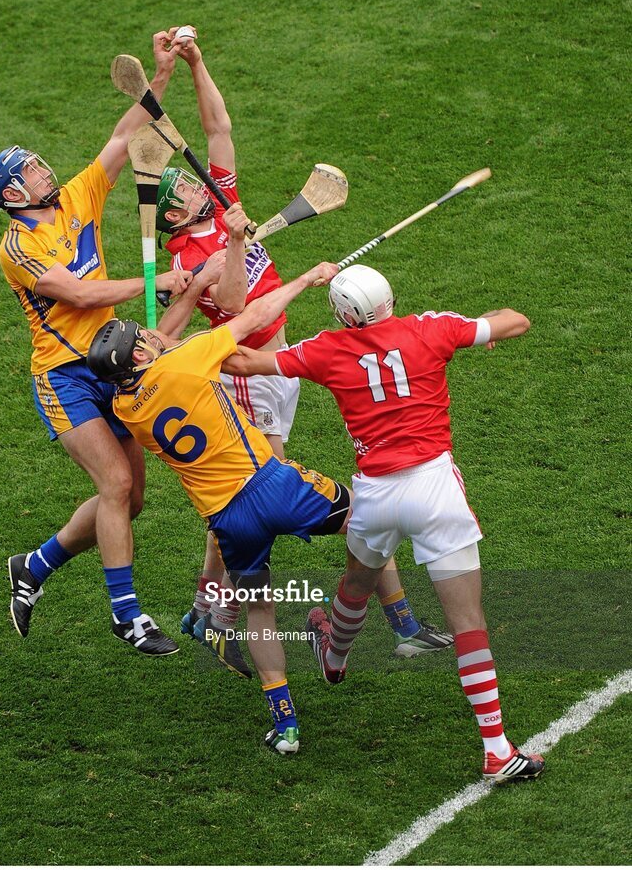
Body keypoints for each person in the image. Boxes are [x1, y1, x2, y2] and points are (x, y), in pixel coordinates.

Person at [154, 28, 452, 668]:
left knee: (267, 499)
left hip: (281, 365)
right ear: (173, 220)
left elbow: (217, 130)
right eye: (180, 191)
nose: (192, 185)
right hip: (248, 378)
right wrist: (259, 256)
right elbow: (236, 307)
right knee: (255, 497)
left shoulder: (223, 203)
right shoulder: (189, 256)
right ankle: (228, 615)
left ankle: (208, 609)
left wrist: (198, 63)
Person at [225, 263, 546, 782]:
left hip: (374, 492)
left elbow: (245, 363)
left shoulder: (325, 349)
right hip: (435, 489)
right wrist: (481, 326)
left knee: (357, 580)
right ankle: (496, 749)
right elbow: (516, 321)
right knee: (469, 624)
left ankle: (334, 655)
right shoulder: (431, 328)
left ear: (344, 313)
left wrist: (195, 345)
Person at [0, 32, 192, 657]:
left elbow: (126, 136)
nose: (47, 167)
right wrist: (158, 280)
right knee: (114, 487)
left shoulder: (75, 197)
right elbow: (77, 294)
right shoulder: (16, 247)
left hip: (111, 361)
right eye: (33, 169)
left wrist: (162, 73)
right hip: (65, 376)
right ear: (14, 195)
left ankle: (34, 566)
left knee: (134, 496)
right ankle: (128, 616)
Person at [87, 261, 347, 754]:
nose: (150, 333)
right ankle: (343, 629)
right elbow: (254, 316)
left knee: (259, 612)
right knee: (371, 523)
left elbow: (161, 355)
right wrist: (303, 279)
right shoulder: (185, 361)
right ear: (140, 353)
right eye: (142, 335)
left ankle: (286, 724)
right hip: (273, 484)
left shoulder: (124, 407)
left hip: (228, 521)